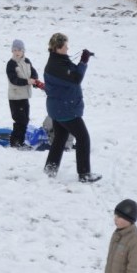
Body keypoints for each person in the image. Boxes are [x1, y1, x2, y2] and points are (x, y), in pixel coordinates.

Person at [42, 32, 100, 183]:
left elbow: (72, 73)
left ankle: (50, 169)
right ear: (59, 47)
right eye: (65, 45)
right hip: (65, 109)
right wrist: (84, 61)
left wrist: (81, 61)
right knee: (83, 138)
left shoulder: (58, 60)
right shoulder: (57, 65)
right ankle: (84, 174)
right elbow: (76, 78)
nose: (67, 48)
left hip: (58, 108)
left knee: (60, 138)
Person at [6, 39, 42, 148]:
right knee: (19, 120)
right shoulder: (11, 64)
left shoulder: (27, 61)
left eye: (19, 50)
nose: (17, 52)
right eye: (14, 50)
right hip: (15, 97)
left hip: (25, 96)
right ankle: (16, 142)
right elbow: (13, 80)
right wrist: (27, 81)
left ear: (23, 51)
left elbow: (33, 72)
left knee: (25, 119)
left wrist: (35, 81)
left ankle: (19, 141)